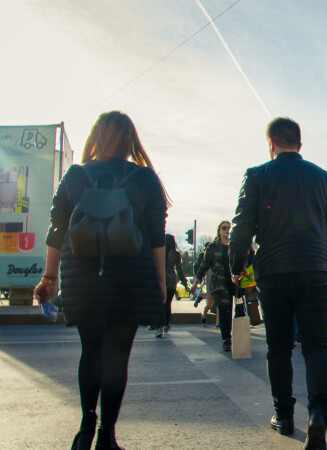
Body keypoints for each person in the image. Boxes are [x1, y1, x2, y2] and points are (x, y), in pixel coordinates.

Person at [33, 111, 168, 449]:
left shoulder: (75, 175)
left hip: (82, 277)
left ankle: (85, 426)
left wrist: (49, 278)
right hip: (131, 277)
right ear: (129, 142)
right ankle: (107, 435)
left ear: (96, 137)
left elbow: (56, 229)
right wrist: (161, 282)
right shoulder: (145, 179)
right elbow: (156, 235)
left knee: (90, 350)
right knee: (117, 355)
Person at [229, 117, 327, 449]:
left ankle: (283, 415)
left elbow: (241, 228)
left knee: (278, 347)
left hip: (274, 272)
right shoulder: (324, 178)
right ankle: (318, 415)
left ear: (270, 143)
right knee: (317, 347)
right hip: (316, 272)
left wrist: (238, 267)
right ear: (300, 144)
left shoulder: (257, 176)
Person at [190, 220, 236, 351]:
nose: (227, 230)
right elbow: (204, 266)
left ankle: (232, 336)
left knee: (232, 309)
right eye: (224, 228)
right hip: (219, 284)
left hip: (234, 283)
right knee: (224, 310)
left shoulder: (234, 246)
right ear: (219, 230)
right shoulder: (212, 247)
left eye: (229, 228)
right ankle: (226, 339)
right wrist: (195, 283)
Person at [157, 234, 188, 337]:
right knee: (168, 304)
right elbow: (180, 270)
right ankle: (166, 324)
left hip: (161, 280)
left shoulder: (160, 252)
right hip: (171, 281)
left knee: (160, 304)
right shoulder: (175, 254)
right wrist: (185, 284)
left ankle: (159, 326)